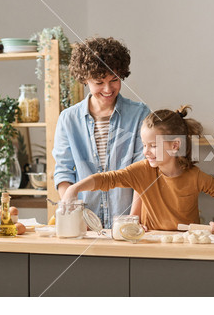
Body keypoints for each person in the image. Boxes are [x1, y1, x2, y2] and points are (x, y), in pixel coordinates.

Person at [61, 106, 214, 234]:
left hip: (185, 250)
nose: (146, 152)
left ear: (175, 145)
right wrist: (74, 188)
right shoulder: (142, 171)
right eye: (144, 145)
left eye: (153, 146)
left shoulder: (195, 177)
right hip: (150, 247)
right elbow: (107, 179)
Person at [52, 37, 150, 228]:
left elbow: (144, 170)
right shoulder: (68, 118)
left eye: (114, 80)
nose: (108, 89)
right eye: (99, 82)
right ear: (84, 79)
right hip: (84, 223)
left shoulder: (140, 114)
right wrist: (75, 214)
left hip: (129, 220)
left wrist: (132, 220)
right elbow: (63, 171)